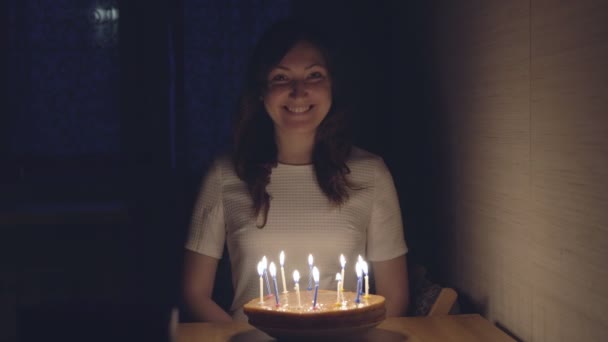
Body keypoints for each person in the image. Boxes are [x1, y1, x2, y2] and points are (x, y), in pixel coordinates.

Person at [182, 18, 409, 322]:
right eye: (280, 78)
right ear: (261, 91)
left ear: (333, 86)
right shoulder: (225, 174)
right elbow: (194, 293)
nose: (299, 92)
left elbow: (395, 296)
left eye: (314, 75)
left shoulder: (371, 174)